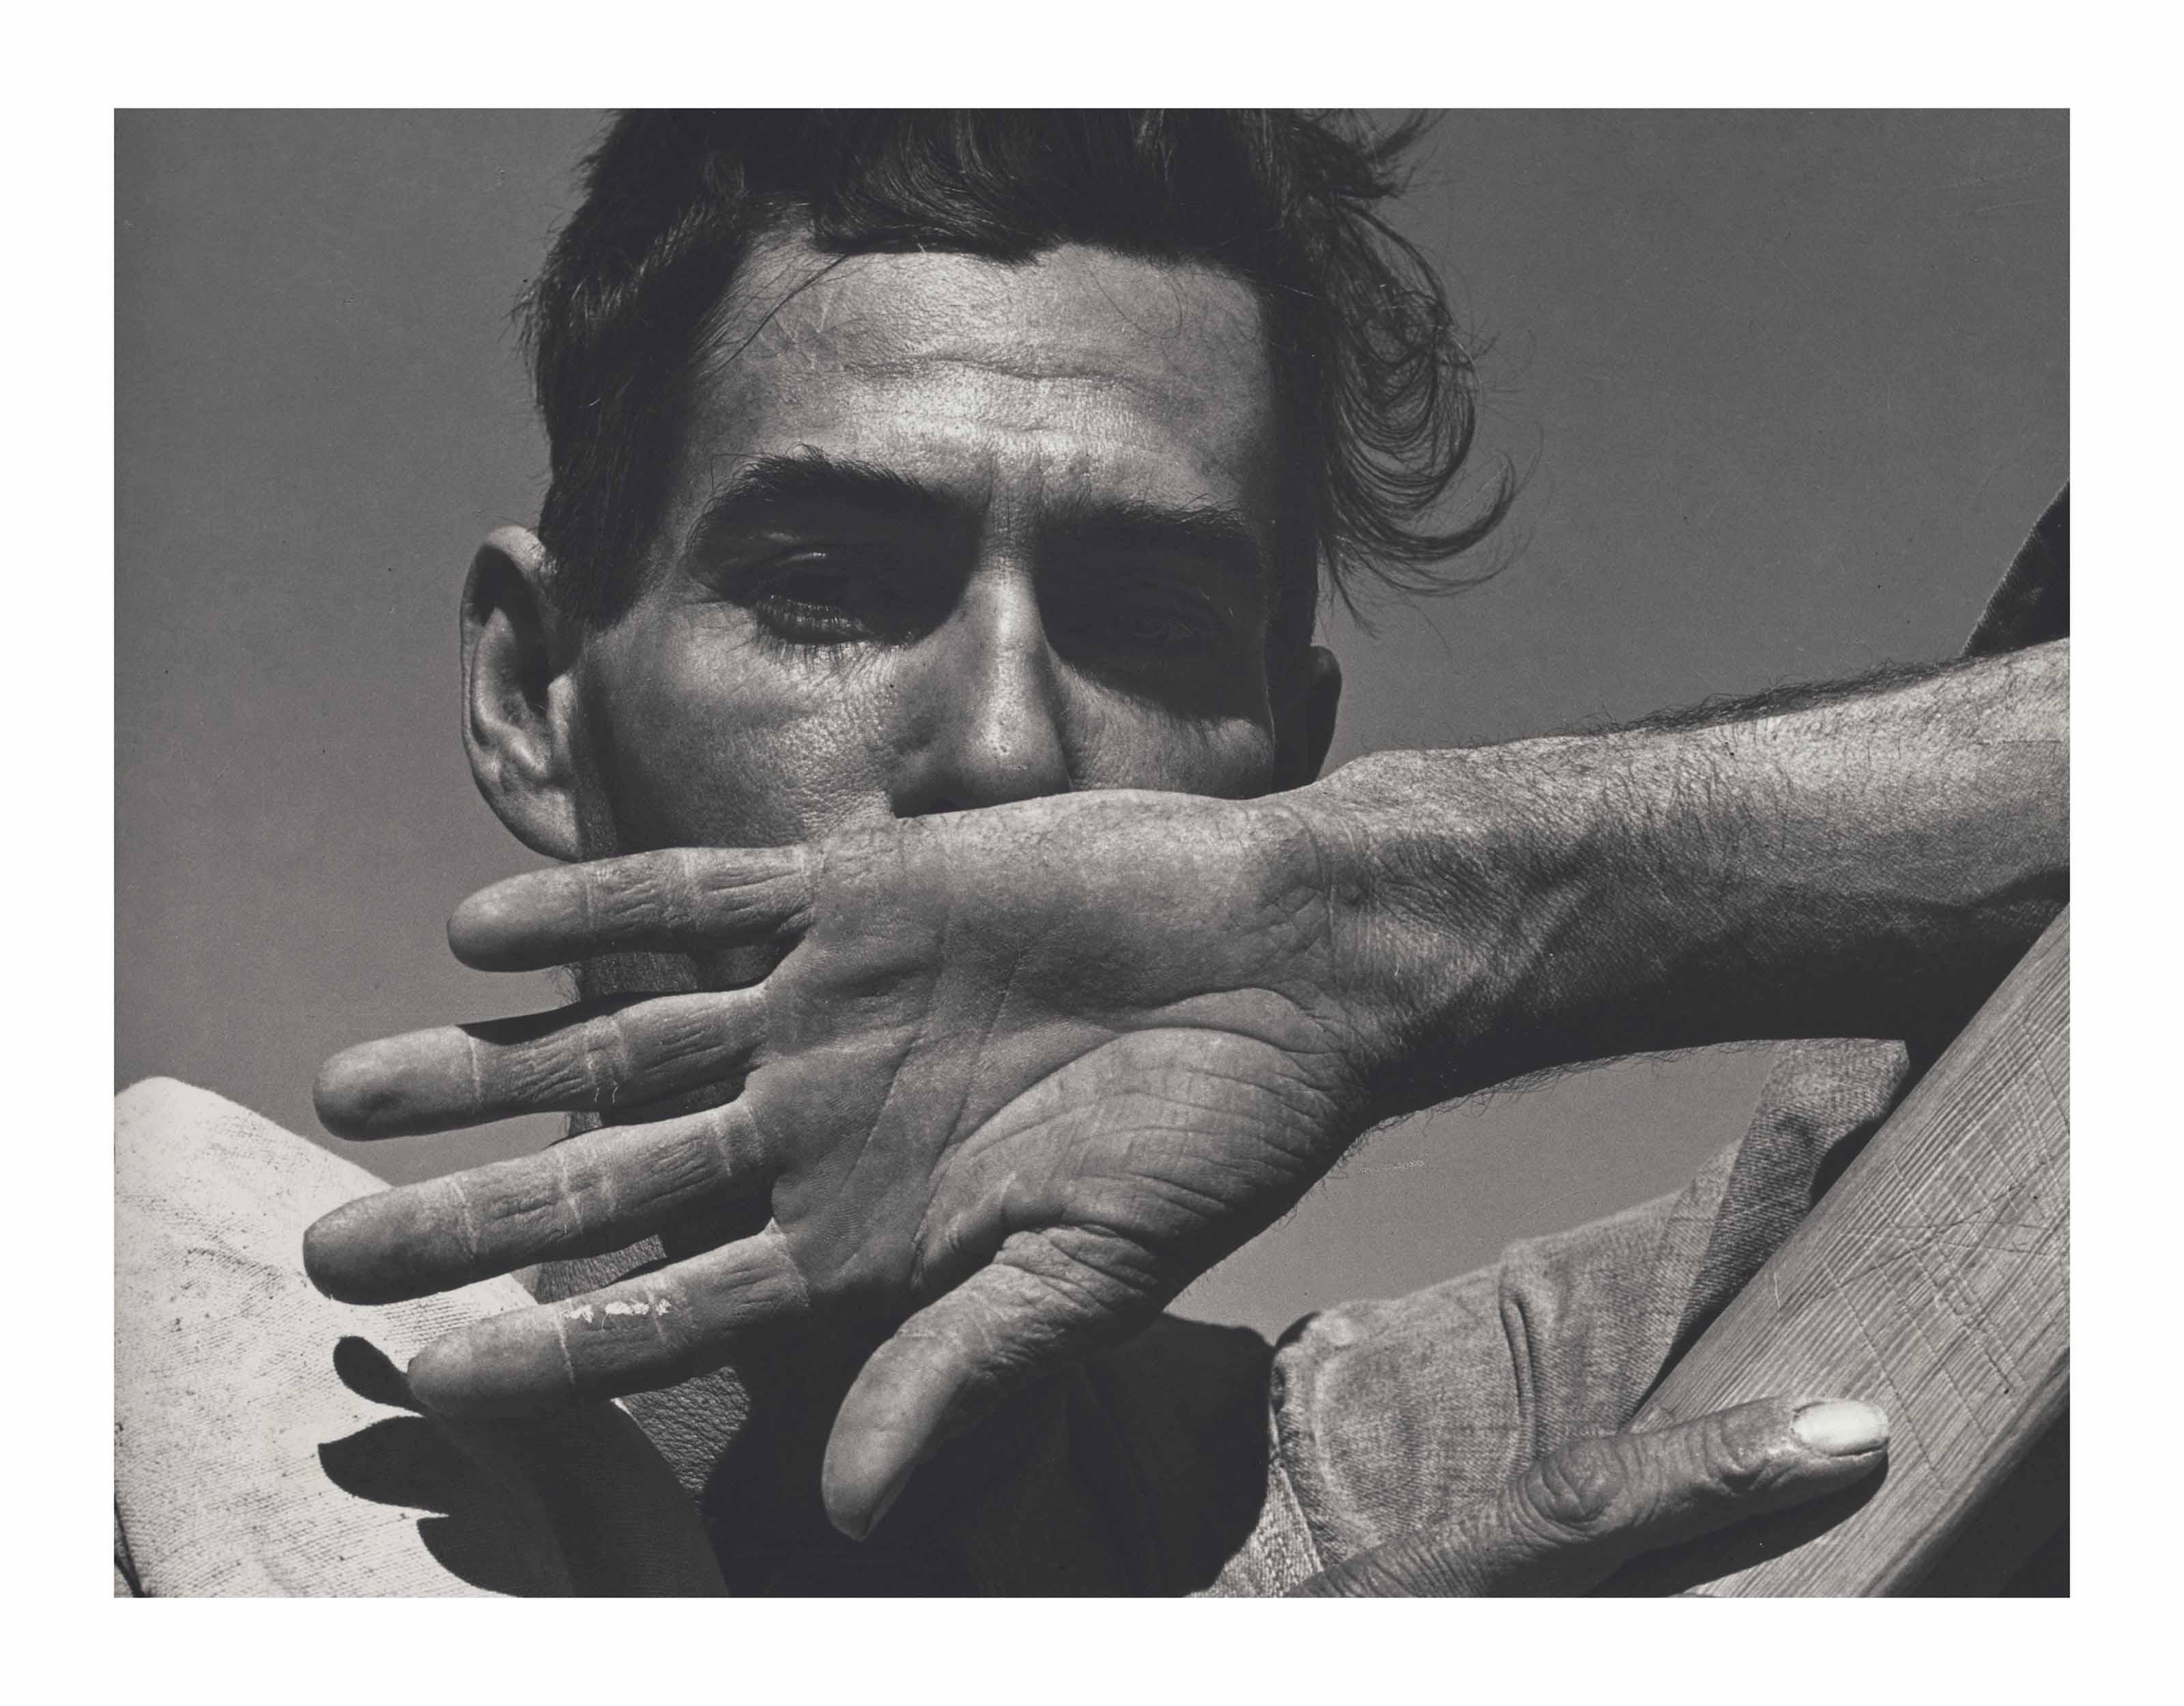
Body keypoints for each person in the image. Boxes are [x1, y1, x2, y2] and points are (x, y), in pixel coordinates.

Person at [116, 110, 2067, 1596]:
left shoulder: (1463, 1462)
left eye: (1149, 622)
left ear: (1292, 774)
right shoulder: (151, 1375)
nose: (1006, 746)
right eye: (827, 587)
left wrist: (1414, 902)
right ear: (537, 696)